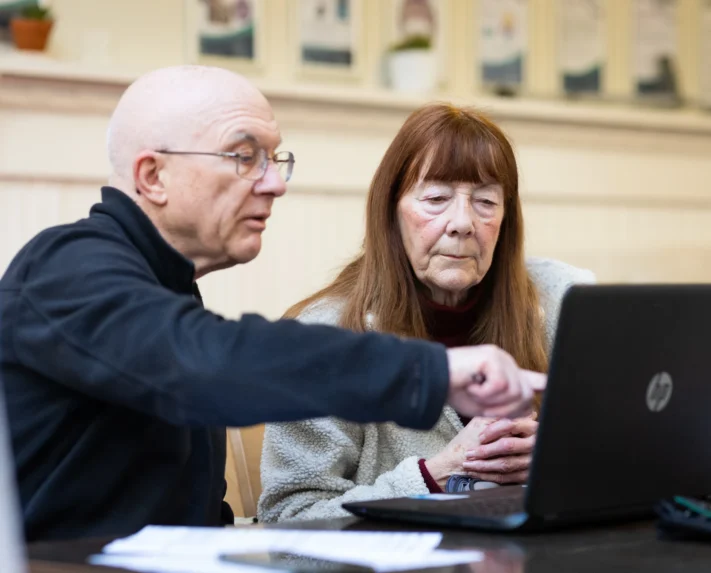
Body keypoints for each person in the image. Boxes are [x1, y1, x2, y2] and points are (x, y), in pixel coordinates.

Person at [0, 67, 545, 542]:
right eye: (244, 157)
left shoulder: (165, 288)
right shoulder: (66, 268)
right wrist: (436, 372)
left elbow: (192, 522)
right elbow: (207, 364)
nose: (274, 184)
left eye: (274, 159)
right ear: (152, 176)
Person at [258, 104, 595, 523]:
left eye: (486, 201)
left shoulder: (565, 303)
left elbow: (636, 456)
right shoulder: (323, 337)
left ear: (506, 220)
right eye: (436, 198)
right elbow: (288, 521)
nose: (462, 223)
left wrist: (556, 458)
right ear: (391, 212)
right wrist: (435, 474)